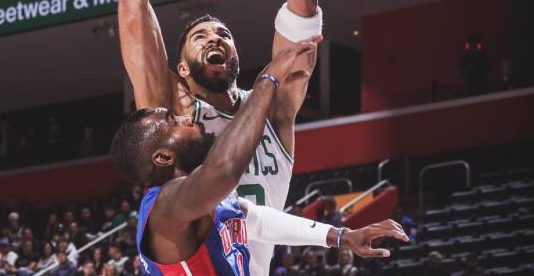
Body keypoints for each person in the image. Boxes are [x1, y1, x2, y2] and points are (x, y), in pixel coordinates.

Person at [117, 0, 322, 276]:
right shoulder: (175, 119)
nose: (215, 38)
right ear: (181, 68)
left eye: (223, 34)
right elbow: (134, 8)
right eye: (200, 36)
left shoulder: (274, 108)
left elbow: (305, 19)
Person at [110, 43, 409, 275]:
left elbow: (259, 221)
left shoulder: (200, 202)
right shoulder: (164, 207)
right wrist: (268, 80)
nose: (188, 119)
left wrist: (342, 236)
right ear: (163, 156)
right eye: (176, 122)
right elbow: (225, 170)